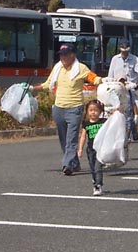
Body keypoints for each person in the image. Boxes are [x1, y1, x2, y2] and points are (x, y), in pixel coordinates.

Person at [32, 43, 101, 175]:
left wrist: (104, 81)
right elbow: (48, 84)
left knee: (71, 138)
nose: (63, 57)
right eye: (61, 55)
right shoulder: (57, 68)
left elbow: (93, 78)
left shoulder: (81, 68)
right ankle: (74, 163)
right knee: (63, 138)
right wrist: (32, 89)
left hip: (75, 108)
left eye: (66, 55)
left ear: (73, 55)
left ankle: (67, 165)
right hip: (59, 108)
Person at [106, 39, 138, 141]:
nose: (125, 53)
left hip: (130, 89)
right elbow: (110, 75)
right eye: (123, 51)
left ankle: (129, 134)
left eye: (126, 51)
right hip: (118, 88)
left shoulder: (135, 59)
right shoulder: (115, 59)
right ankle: (131, 129)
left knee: (130, 112)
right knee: (120, 111)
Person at [77, 100, 106, 196]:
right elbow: (83, 137)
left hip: (100, 149)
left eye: (96, 110)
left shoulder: (103, 122)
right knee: (92, 167)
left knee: (98, 167)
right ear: (87, 111)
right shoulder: (86, 124)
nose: (93, 112)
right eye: (91, 110)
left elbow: (112, 123)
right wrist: (80, 149)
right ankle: (95, 180)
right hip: (90, 149)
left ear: (100, 112)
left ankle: (98, 185)